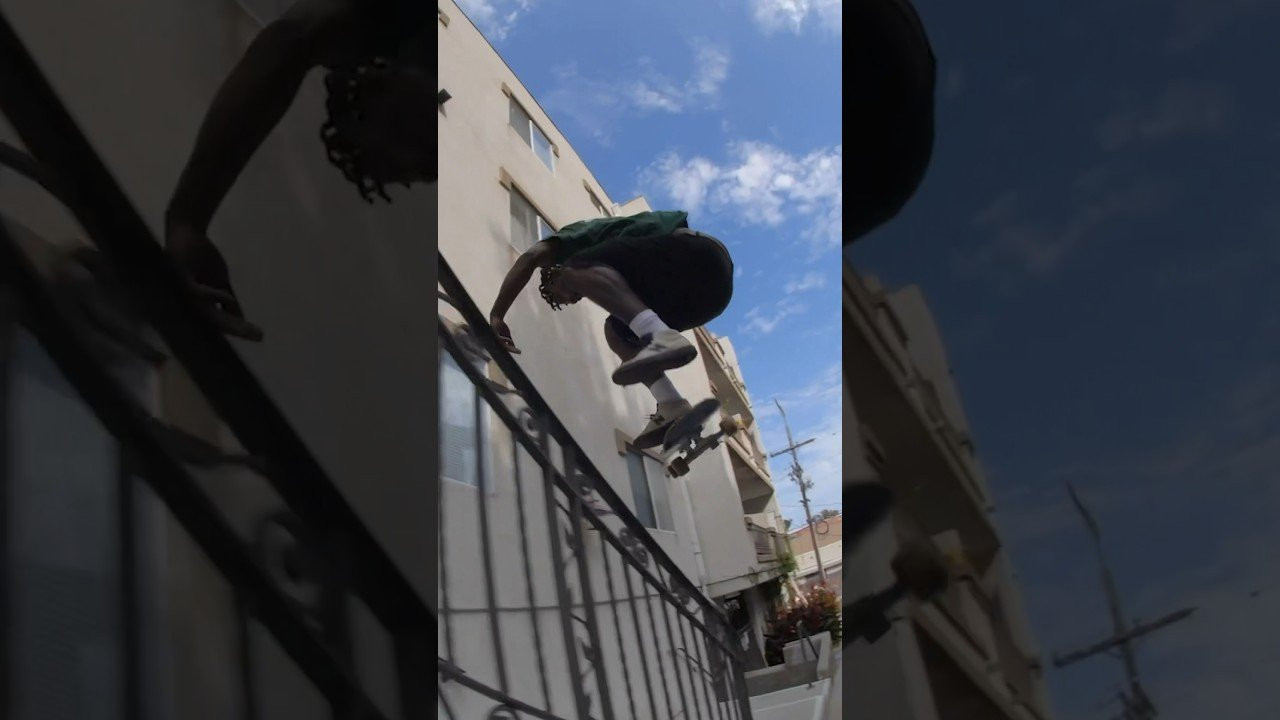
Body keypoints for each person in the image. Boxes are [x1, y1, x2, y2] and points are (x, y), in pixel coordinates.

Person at [164, 0, 432, 340]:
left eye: (407, 130)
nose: (428, 142)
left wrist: (188, 218)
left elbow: (292, 41)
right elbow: (293, 41)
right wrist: (188, 220)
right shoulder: (394, 26)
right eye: (426, 159)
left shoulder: (383, 27)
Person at [489, 210, 734, 447]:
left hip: (698, 255)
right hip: (706, 298)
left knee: (575, 269)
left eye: (567, 295)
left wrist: (498, 314)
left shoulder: (569, 244)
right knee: (616, 331)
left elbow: (531, 257)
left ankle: (661, 335)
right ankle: (671, 404)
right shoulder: (622, 269)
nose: (576, 297)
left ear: (552, 272)